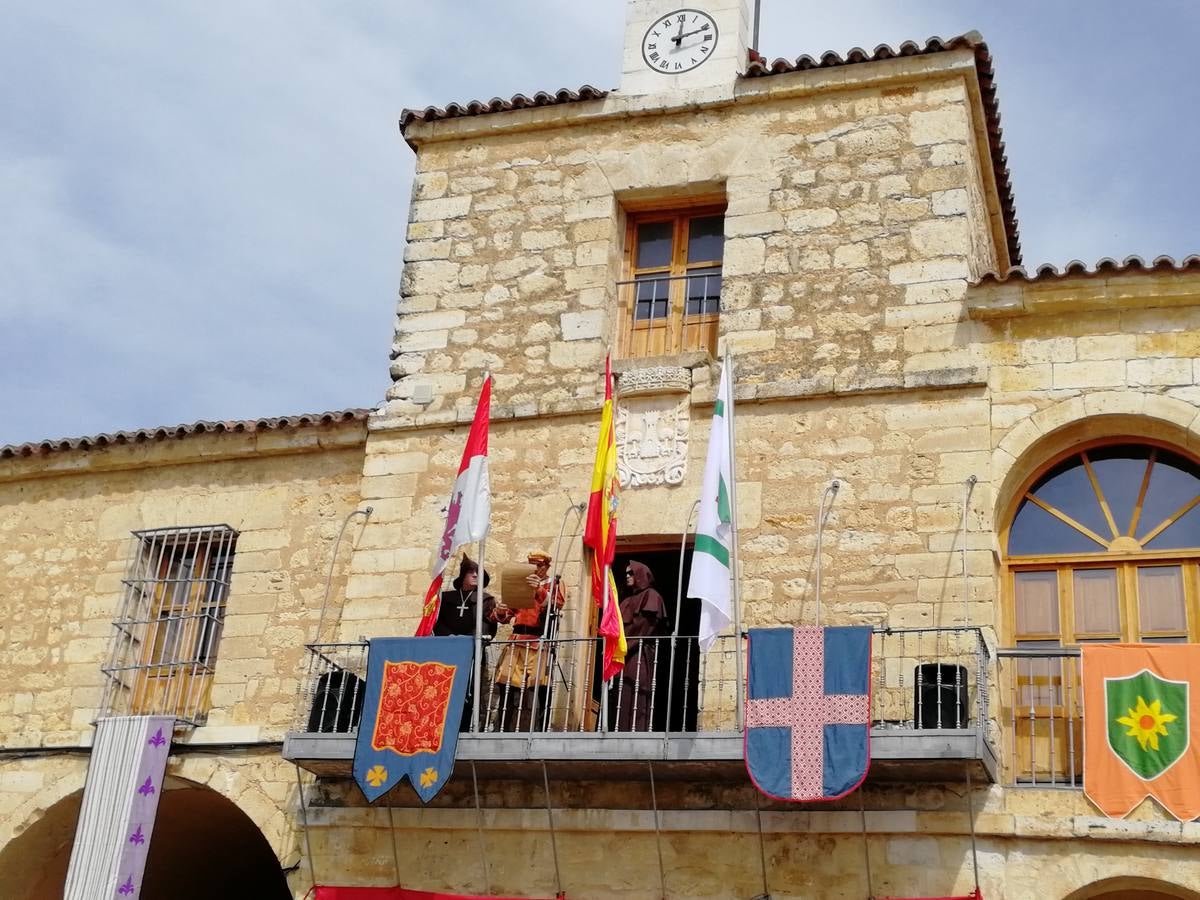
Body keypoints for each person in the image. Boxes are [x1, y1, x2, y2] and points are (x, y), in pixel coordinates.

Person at [492, 551, 567, 732]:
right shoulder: (521, 584)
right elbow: (506, 615)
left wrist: (539, 590)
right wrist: (501, 611)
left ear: (547, 566)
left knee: (539, 688)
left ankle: (541, 730)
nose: (535, 569)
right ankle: (502, 729)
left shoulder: (554, 583)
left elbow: (557, 604)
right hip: (517, 639)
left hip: (539, 641)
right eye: (532, 564)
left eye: (539, 565)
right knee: (506, 685)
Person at [432, 555, 499, 731]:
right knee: (442, 690)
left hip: (471, 651)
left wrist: (467, 640)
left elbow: (487, 626)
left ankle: (463, 728)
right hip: (446, 649)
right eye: (471, 572)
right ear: (463, 575)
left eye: (479, 572)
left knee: (469, 690)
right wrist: (450, 637)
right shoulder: (446, 598)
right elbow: (436, 622)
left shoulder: (486, 600)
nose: (476, 575)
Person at [613, 561, 667, 732]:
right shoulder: (627, 601)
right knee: (622, 695)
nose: (627, 576)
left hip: (639, 653)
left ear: (641, 575)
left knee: (637, 692)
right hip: (623, 654)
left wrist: (624, 646)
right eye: (626, 574)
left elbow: (644, 626)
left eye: (631, 573)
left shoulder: (652, 596)